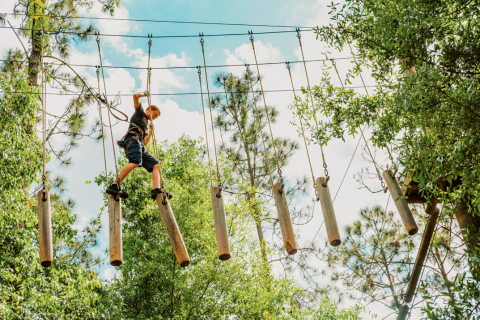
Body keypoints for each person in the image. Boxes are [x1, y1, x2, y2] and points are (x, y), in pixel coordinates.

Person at [106, 90, 171, 200]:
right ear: (149, 109)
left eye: (155, 118)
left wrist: (149, 132)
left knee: (157, 165)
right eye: (154, 115)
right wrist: (145, 94)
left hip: (140, 144)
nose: (154, 118)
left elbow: (144, 143)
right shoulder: (140, 113)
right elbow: (135, 96)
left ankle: (156, 190)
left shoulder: (145, 126)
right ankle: (114, 185)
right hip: (132, 140)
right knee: (135, 162)